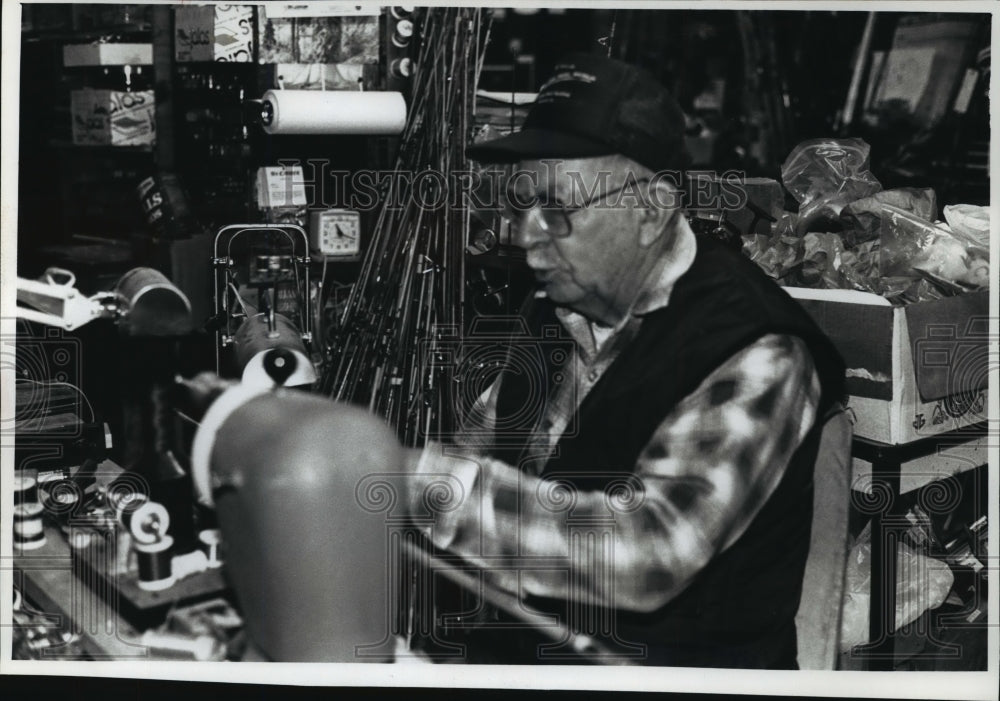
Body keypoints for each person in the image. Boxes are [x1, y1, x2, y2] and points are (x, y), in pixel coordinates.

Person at [400, 53, 846, 668]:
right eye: (520, 205)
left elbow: (649, 553)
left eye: (558, 210)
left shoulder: (758, 349)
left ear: (652, 210)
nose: (526, 235)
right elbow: (478, 447)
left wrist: (411, 483)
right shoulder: (555, 306)